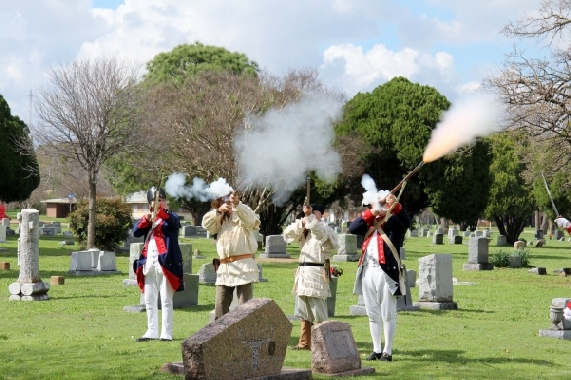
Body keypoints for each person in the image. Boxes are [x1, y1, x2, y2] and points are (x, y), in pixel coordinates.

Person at [349, 193, 410, 361]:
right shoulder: (368, 221)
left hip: (386, 272)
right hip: (368, 270)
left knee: (388, 313)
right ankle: (376, 349)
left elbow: (407, 222)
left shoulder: (393, 223)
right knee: (372, 313)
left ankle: (387, 351)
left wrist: (395, 206)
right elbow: (353, 228)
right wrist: (373, 213)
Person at [283, 203, 338, 350]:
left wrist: (309, 217)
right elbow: (288, 233)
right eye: (309, 212)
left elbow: (318, 232)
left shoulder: (324, 229)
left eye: (315, 213)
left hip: (317, 271)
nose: (311, 215)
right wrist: (302, 221)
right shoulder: (304, 230)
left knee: (317, 307)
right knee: (303, 308)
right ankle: (305, 342)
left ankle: (325, 343)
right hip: (303, 272)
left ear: (321, 214)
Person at [133, 187, 184, 342]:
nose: (159, 202)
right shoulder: (149, 219)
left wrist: (161, 211)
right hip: (149, 264)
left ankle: (166, 333)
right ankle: (152, 330)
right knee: (149, 299)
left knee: (166, 300)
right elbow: (136, 232)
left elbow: (174, 222)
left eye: (161, 199)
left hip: (166, 265)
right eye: (155, 200)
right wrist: (148, 217)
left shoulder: (170, 215)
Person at [202, 192, 260, 320]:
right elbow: (206, 224)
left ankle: (243, 338)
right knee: (220, 306)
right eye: (224, 202)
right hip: (225, 268)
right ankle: (218, 337)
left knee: (244, 308)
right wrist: (217, 211)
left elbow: (250, 220)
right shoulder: (219, 219)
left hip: (244, 266)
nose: (227, 204)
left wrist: (237, 204)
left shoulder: (242, 212)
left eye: (228, 201)